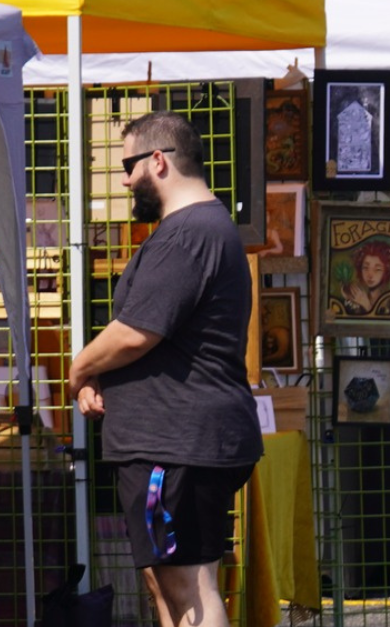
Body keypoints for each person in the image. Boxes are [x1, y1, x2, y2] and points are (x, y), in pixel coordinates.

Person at [68, 111, 260, 627]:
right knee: (166, 581)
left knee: (188, 584)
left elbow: (136, 331)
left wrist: (79, 369)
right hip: (170, 441)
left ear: (159, 160)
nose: (126, 179)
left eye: (128, 165)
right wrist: (101, 382)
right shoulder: (194, 230)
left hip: (178, 443)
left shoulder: (188, 234)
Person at [337, 240, 390, 317]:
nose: (370, 275)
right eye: (365, 268)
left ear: (386, 271)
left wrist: (367, 306)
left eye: (377, 269)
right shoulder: (359, 297)